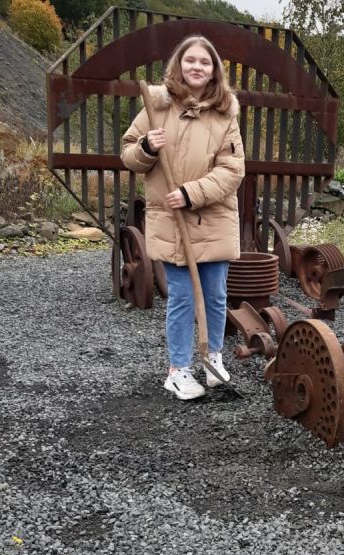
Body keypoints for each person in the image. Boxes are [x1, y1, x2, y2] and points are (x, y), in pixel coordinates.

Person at [121, 35, 245, 400]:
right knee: (180, 297)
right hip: (171, 221)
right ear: (179, 65)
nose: (197, 67)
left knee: (216, 294)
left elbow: (232, 170)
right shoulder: (156, 106)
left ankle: (213, 358)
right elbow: (127, 152)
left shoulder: (226, 114)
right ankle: (177, 370)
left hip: (212, 217)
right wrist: (146, 147)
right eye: (190, 60)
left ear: (214, 71)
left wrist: (191, 193)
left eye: (205, 62)